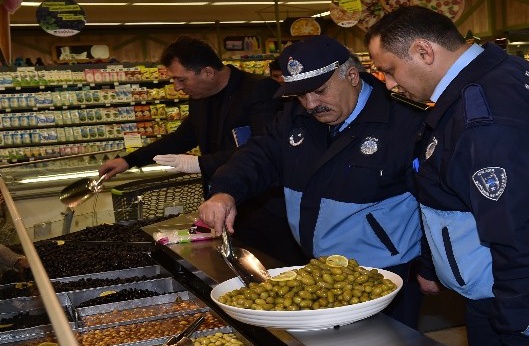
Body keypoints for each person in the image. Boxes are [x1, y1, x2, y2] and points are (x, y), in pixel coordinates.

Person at [366, 6, 529, 346]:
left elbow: (524, 232)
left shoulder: (485, 119)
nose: (390, 84)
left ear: (424, 51)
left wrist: (519, 334)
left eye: (390, 70)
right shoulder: (515, 71)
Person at [198, 35, 426, 329]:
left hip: (387, 276)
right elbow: (260, 155)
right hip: (319, 270)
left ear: (352, 76)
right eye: (300, 95)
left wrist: (430, 268)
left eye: (319, 91)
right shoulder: (295, 115)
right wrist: (224, 191)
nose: (310, 104)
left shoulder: (404, 122)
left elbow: (433, 199)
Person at [98, 36, 307, 265]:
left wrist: (200, 163)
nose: (177, 87)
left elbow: (262, 149)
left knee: (276, 270)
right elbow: (183, 137)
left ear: (207, 72)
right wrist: (128, 161)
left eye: (181, 80)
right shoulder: (200, 96)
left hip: (264, 211)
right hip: (223, 206)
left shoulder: (259, 90)